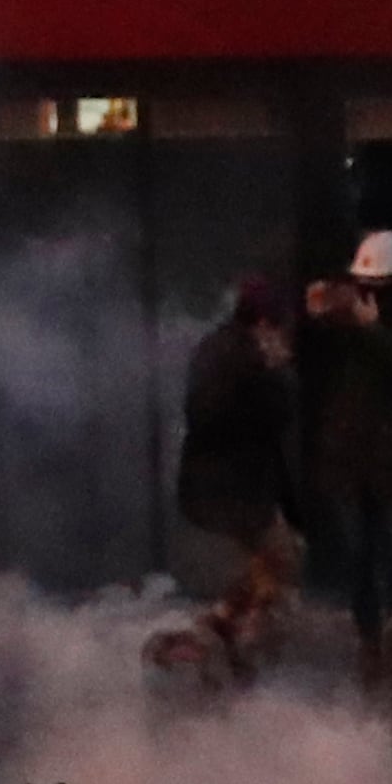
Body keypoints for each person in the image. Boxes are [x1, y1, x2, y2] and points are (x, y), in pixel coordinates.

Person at [298, 230, 392, 655]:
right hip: (347, 460)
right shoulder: (344, 321)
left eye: (378, 283)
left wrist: (371, 330)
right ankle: (370, 638)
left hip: (391, 461)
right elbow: (310, 342)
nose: (368, 291)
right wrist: (317, 313)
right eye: (364, 283)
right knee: (358, 556)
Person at [174, 277, 301, 656]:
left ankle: (224, 631)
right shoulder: (247, 359)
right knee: (282, 563)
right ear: (265, 324)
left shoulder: (216, 348)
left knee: (267, 569)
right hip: (234, 492)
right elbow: (273, 418)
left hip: (217, 489)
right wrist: (276, 372)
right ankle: (229, 641)